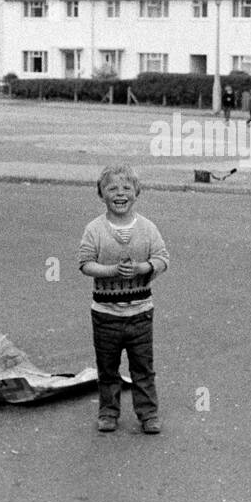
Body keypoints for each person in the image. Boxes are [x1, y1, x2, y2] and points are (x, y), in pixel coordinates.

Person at [78, 164, 169, 434]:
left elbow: (163, 258)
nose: (120, 194)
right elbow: (84, 263)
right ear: (101, 194)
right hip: (105, 314)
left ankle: (148, 413)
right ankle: (108, 411)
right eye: (112, 188)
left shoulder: (148, 228)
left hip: (141, 312)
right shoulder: (95, 229)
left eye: (126, 188)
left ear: (137, 193)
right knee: (107, 368)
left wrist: (144, 268)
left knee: (143, 367)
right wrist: (110, 271)